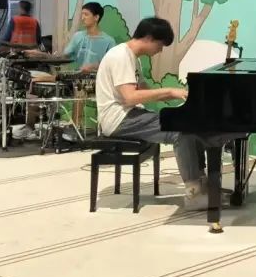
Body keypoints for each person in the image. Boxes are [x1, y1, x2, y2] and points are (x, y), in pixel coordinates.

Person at [95, 17, 235, 210]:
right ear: (149, 38)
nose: (160, 50)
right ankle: (194, 194)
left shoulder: (131, 58)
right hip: (118, 119)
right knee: (180, 132)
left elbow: (144, 91)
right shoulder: (121, 56)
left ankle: (202, 184)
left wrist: (185, 101)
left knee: (188, 124)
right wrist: (169, 92)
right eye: (160, 45)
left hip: (129, 115)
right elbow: (130, 97)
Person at [14, 3, 116, 139]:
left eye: (86, 14)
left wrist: (95, 66)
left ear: (96, 17)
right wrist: (41, 55)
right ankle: (30, 126)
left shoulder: (108, 40)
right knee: (34, 80)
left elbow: (112, 65)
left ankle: (75, 128)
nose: (82, 18)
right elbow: (63, 57)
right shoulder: (78, 36)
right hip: (74, 77)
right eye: (82, 14)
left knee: (79, 87)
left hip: (95, 81)